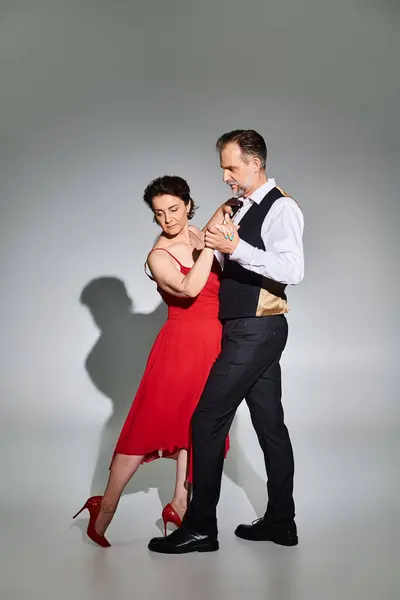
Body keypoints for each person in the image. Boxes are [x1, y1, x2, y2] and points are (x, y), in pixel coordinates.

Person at [148, 129, 304, 554]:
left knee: (206, 420)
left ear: (255, 163)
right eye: (223, 169)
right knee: (270, 426)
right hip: (245, 329)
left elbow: (293, 269)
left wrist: (237, 247)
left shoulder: (281, 208)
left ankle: (201, 528)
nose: (226, 177)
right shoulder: (238, 207)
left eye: (231, 168)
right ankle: (281, 521)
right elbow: (206, 267)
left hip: (258, 328)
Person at [73, 175, 232, 547]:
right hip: (179, 348)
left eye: (174, 209)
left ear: (189, 204)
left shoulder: (196, 232)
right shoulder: (157, 256)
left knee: (197, 426)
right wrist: (211, 242)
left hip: (213, 344)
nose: (168, 219)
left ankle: (179, 503)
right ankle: (105, 507)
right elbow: (191, 288)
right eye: (159, 213)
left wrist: (212, 231)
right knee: (146, 428)